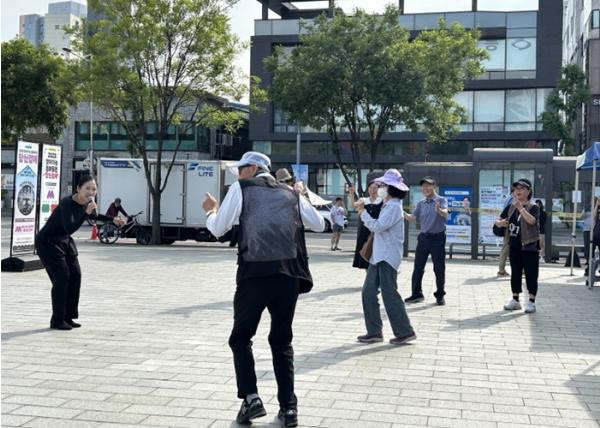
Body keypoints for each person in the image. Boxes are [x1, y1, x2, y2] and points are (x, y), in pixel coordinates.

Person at [201, 151, 324, 427]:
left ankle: (251, 398)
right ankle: (289, 409)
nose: (239, 174)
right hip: (288, 276)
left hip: (254, 275)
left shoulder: (241, 188)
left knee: (240, 338)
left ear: (253, 168)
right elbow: (319, 224)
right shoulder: (290, 193)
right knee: (282, 341)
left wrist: (211, 211)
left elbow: (219, 229)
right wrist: (300, 196)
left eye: (241, 169)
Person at [35, 175, 125, 330]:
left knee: (75, 275)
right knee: (62, 278)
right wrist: (86, 212)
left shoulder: (87, 204)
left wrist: (113, 220)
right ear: (78, 188)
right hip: (48, 242)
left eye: (94, 189)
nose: (91, 192)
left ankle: (68, 317)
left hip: (64, 241)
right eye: (87, 188)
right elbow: (70, 227)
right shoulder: (66, 203)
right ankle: (57, 319)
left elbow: (95, 217)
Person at [356, 169, 416, 345]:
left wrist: (363, 212)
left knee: (389, 294)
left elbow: (377, 226)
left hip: (387, 256)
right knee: (368, 292)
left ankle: (405, 331)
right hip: (379, 255)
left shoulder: (394, 207)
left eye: (382, 185)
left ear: (391, 188)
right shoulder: (388, 204)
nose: (379, 187)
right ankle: (374, 331)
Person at [495, 178, 539, 314]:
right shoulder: (510, 207)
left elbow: (532, 221)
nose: (518, 191)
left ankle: (531, 301)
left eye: (522, 188)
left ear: (529, 191)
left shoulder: (534, 207)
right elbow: (499, 219)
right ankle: (515, 300)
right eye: (516, 189)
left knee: (531, 274)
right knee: (515, 273)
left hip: (529, 246)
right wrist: (500, 223)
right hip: (514, 245)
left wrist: (521, 208)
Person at [404, 176, 448, 305]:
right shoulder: (420, 204)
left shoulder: (441, 200)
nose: (425, 188)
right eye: (423, 186)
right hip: (423, 238)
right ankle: (416, 294)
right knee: (418, 267)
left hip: (437, 238)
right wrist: (400, 212)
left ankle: (440, 295)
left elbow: (445, 213)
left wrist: (438, 210)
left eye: (428, 186)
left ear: (434, 187)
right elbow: (412, 217)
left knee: (439, 268)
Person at [349, 179, 383, 269]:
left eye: (375, 188)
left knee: (375, 253)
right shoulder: (363, 200)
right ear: (368, 189)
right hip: (364, 230)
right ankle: (368, 275)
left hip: (376, 230)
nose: (373, 190)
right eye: (371, 188)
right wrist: (351, 194)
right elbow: (353, 205)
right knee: (365, 252)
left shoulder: (381, 201)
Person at [497, 194, 513, 277]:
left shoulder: (509, 199)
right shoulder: (511, 201)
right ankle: (501, 270)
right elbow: (500, 219)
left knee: (506, 248)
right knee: (507, 248)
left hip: (509, 227)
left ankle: (501, 270)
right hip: (511, 227)